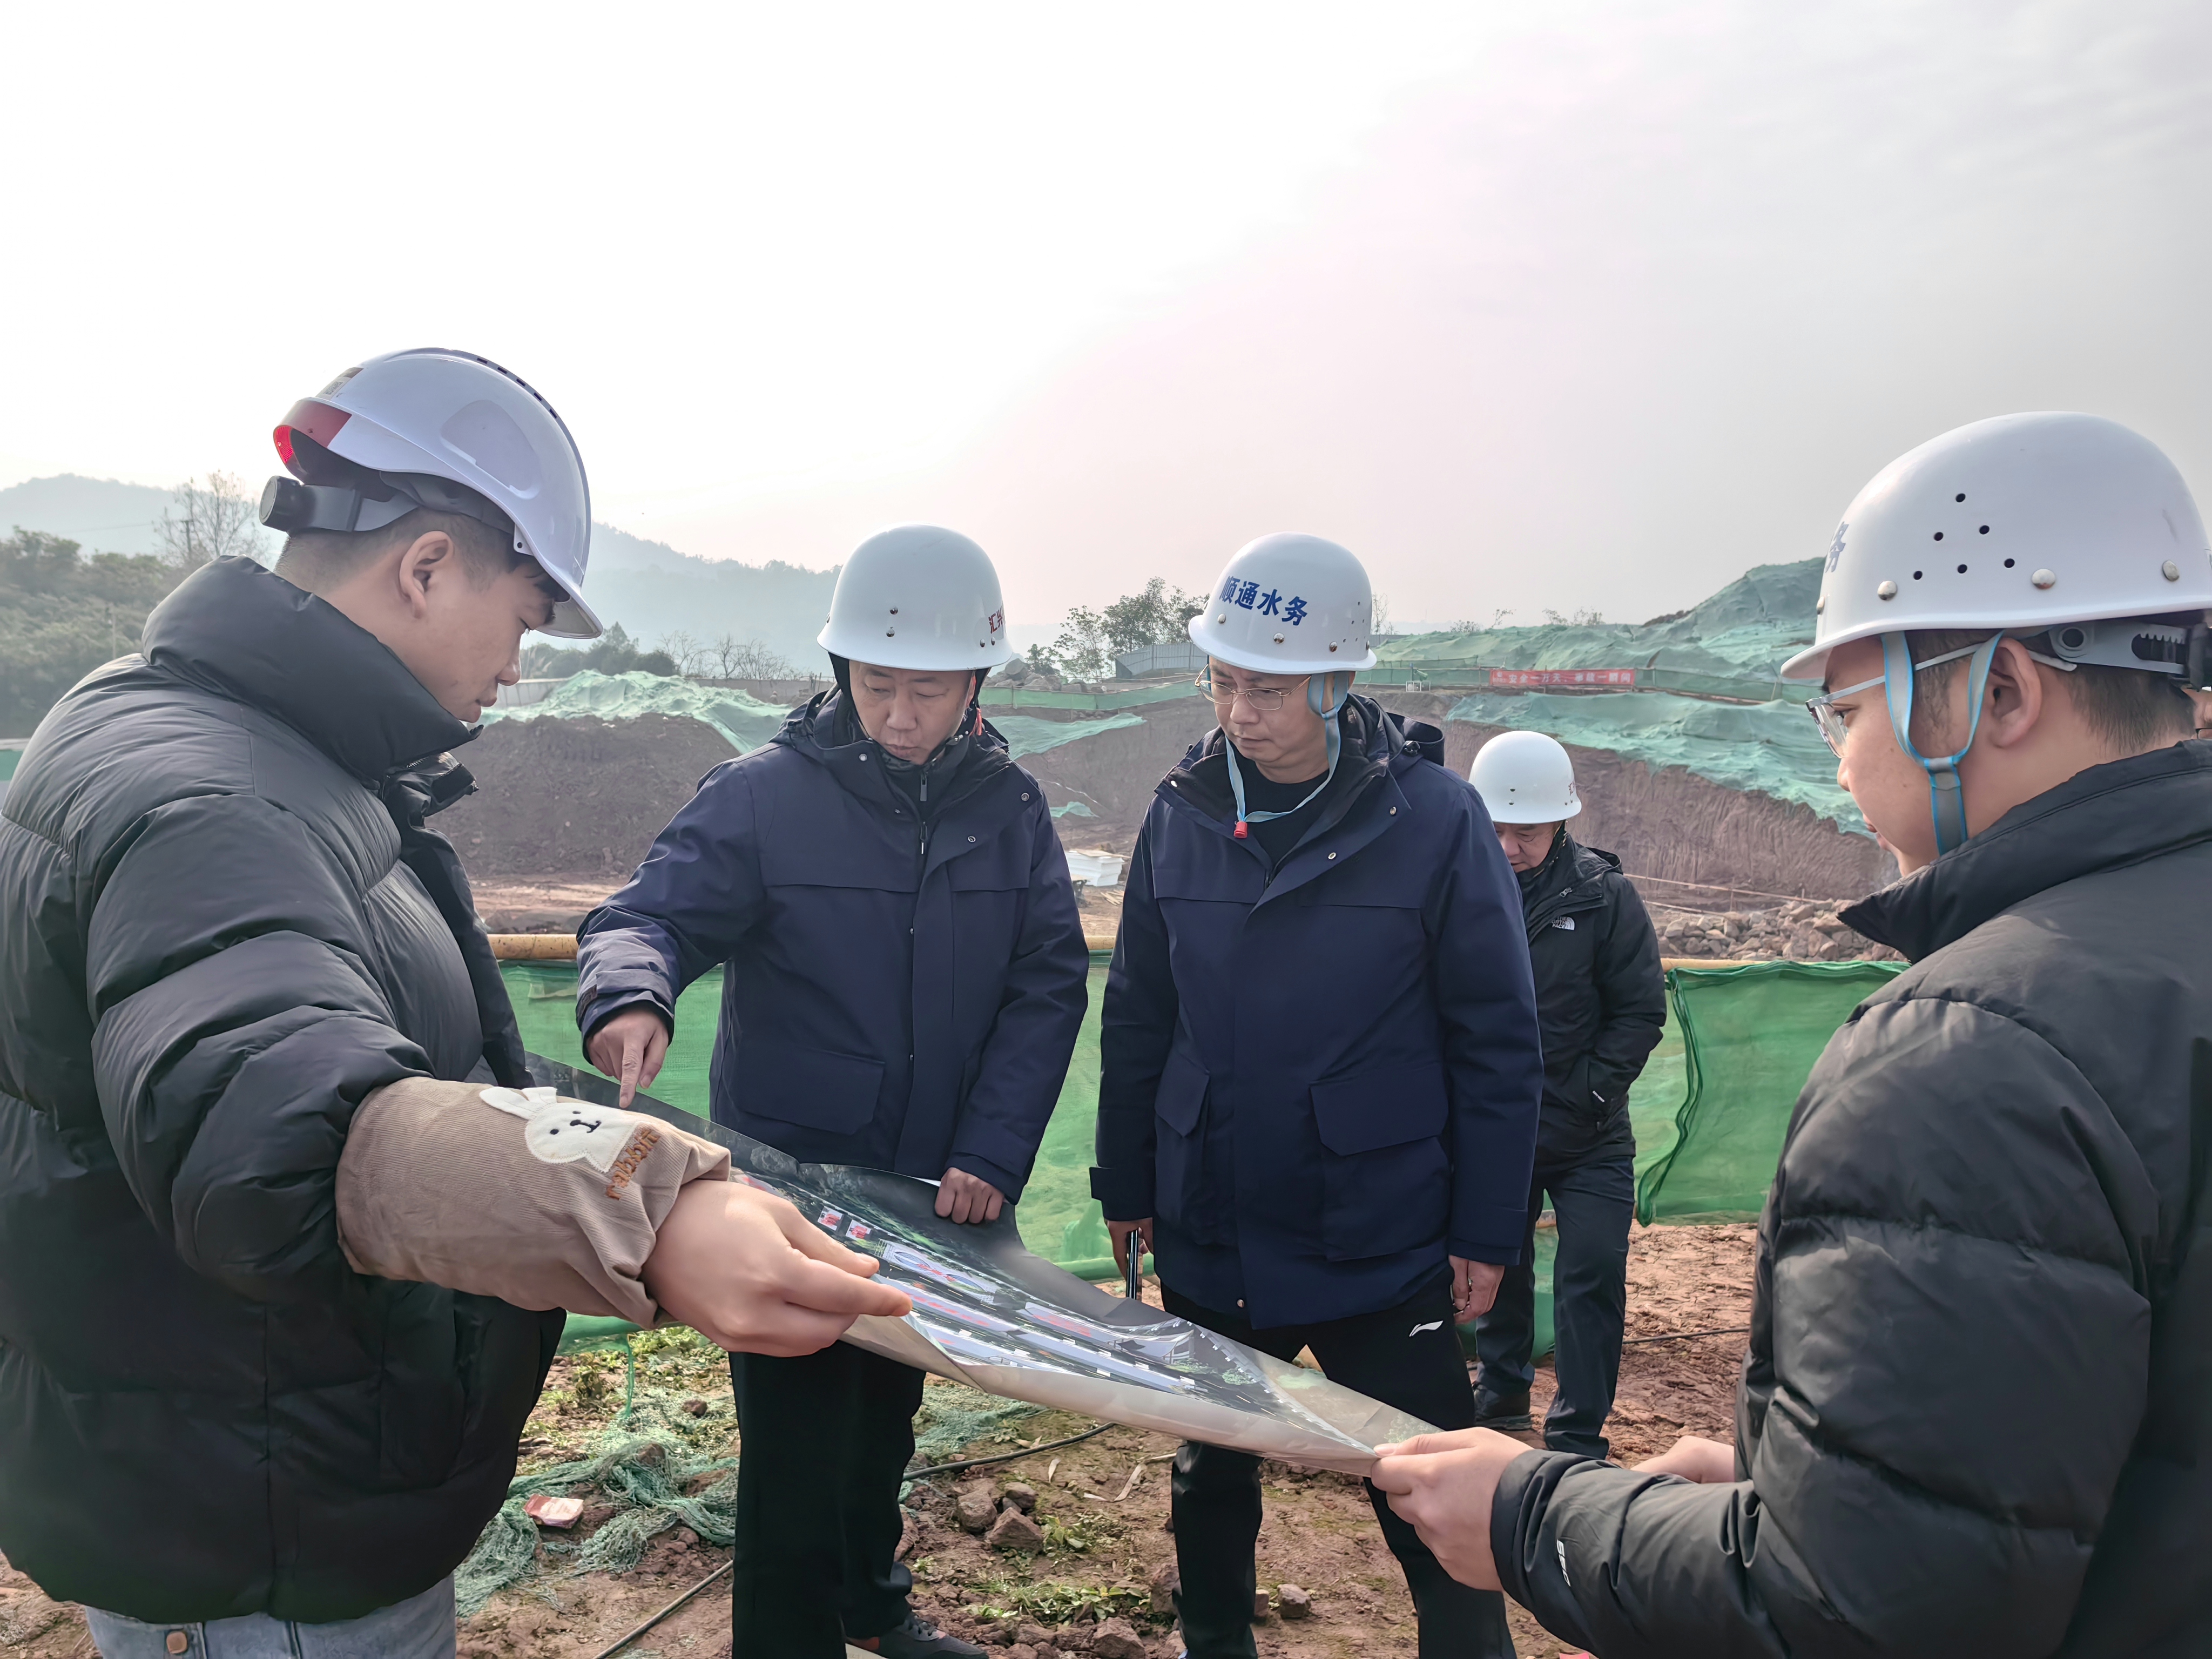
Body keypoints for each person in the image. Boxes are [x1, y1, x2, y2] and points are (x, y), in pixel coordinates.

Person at [0, 350, 904, 1659]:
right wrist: (648, 1211)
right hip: (262, 1546)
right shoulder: (217, 796)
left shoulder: (241, 745)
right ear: (426, 567)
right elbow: (270, 1123)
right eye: (524, 621)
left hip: (251, 1469)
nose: (518, 669)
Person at [1371, 411, 2212, 1656]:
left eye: (1845, 709)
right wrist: (1806, 1483)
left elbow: (1852, 1612)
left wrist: (1528, 1513)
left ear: (2000, 692)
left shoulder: (1970, 1055)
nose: (1838, 767)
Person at [577, 524, 1090, 1659]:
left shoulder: (1009, 811)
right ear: (840, 670)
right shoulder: (765, 797)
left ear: (976, 683)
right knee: (796, 1446)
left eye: (926, 690)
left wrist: (992, 1149)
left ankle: (872, 1604)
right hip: (791, 1193)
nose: (899, 715)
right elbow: (644, 917)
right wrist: (632, 995)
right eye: (875, 684)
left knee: (886, 1416)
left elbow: (1046, 984)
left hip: (932, 1187)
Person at [1091, 532, 1545, 1659]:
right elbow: (1139, 1013)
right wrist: (1126, 1185)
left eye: (1269, 689)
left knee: (1427, 1487)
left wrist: (1485, 1228)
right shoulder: (1183, 812)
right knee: (1210, 1470)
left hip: (1374, 1232)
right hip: (1213, 1221)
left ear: (1338, 680)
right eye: (1223, 682)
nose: (1239, 713)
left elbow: (1495, 1038)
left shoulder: (1432, 821)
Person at [1465, 730, 1664, 1459]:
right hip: (1499, 1128)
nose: (1510, 846)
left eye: (1527, 832)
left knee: (1592, 1274)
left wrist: (1590, 1096)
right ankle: (1501, 1399)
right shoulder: (1461, 890)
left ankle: (1578, 1435)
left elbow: (1639, 1012)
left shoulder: (1603, 897)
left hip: (1590, 1136)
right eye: (1498, 829)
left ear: (1561, 820)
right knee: (1500, 1267)